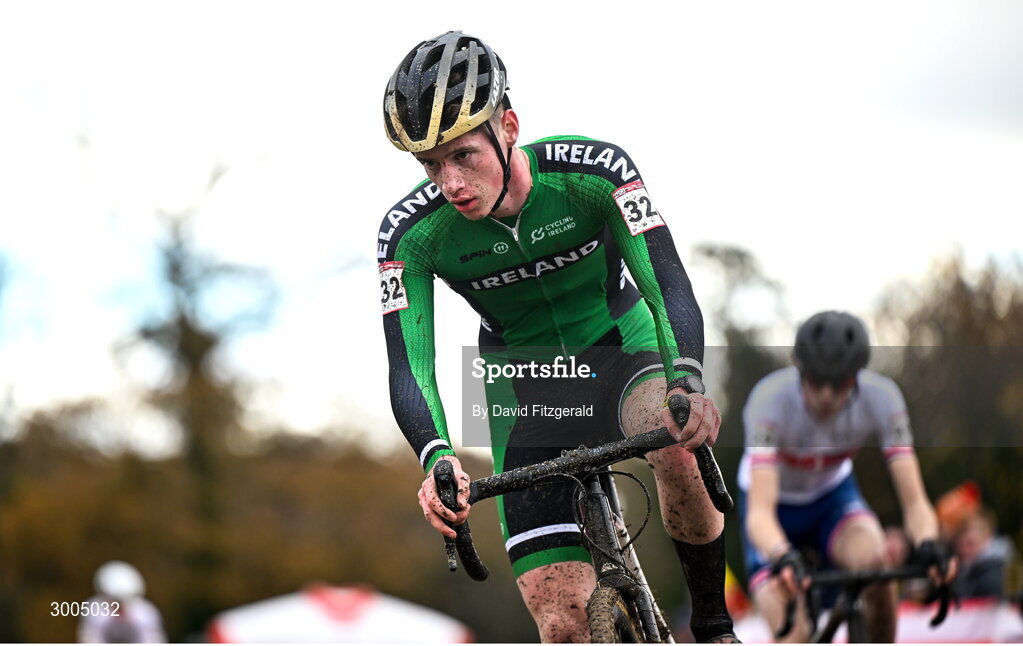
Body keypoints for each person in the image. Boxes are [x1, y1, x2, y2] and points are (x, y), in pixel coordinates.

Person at [379, 31, 735, 643]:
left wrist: (689, 381)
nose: (451, 183)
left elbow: (668, 286)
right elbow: (410, 364)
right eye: (430, 165)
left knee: (676, 442)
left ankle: (712, 624)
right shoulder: (409, 234)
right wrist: (436, 456)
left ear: (508, 126)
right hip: (530, 391)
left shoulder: (594, 173)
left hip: (624, 352)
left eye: (463, 155)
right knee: (562, 623)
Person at [737, 311, 957, 642]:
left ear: (856, 377)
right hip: (773, 510)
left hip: (832, 498)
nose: (827, 395)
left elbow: (915, 501)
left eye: (838, 383)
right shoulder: (768, 401)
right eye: (816, 381)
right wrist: (781, 554)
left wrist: (927, 544)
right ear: (800, 372)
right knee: (792, 632)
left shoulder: (883, 398)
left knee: (877, 565)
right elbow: (759, 514)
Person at [78, 560, 166, 643]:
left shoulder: (145, 613)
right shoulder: (95, 610)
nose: (120, 606)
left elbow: (153, 641)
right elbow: (90, 640)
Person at [953, 509, 1012, 599]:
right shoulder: (966, 569)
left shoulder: (992, 575)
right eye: (960, 544)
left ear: (987, 538)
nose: (964, 550)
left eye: (970, 543)